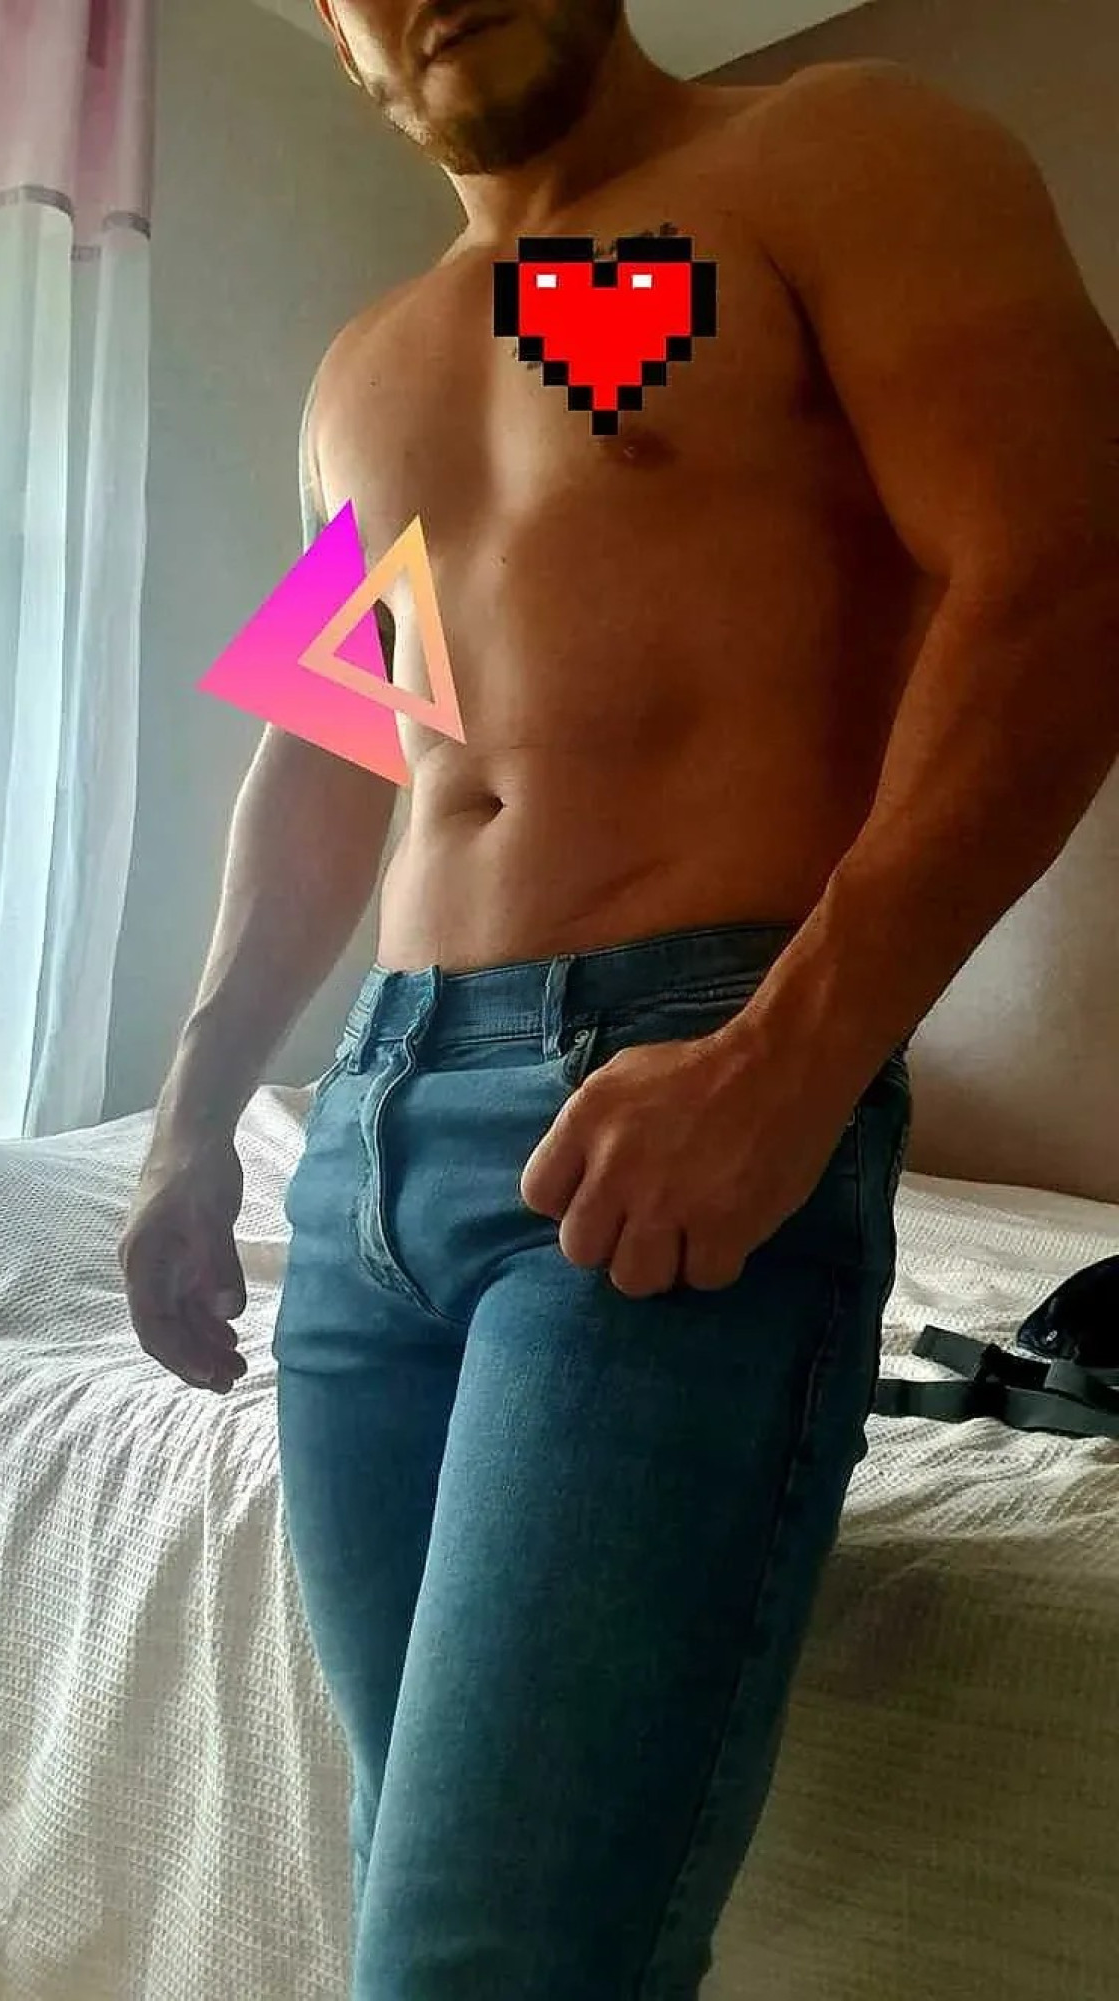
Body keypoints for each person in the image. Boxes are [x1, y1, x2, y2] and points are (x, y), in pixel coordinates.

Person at [119, 4, 1119, 1992]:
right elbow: (327, 744)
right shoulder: (365, 363)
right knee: (421, 1884)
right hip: (372, 1146)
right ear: (337, 41)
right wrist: (190, 1113)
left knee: (482, 1956)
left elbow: (1070, 570)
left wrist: (789, 1060)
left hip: (673, 1101)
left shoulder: (835, 159)